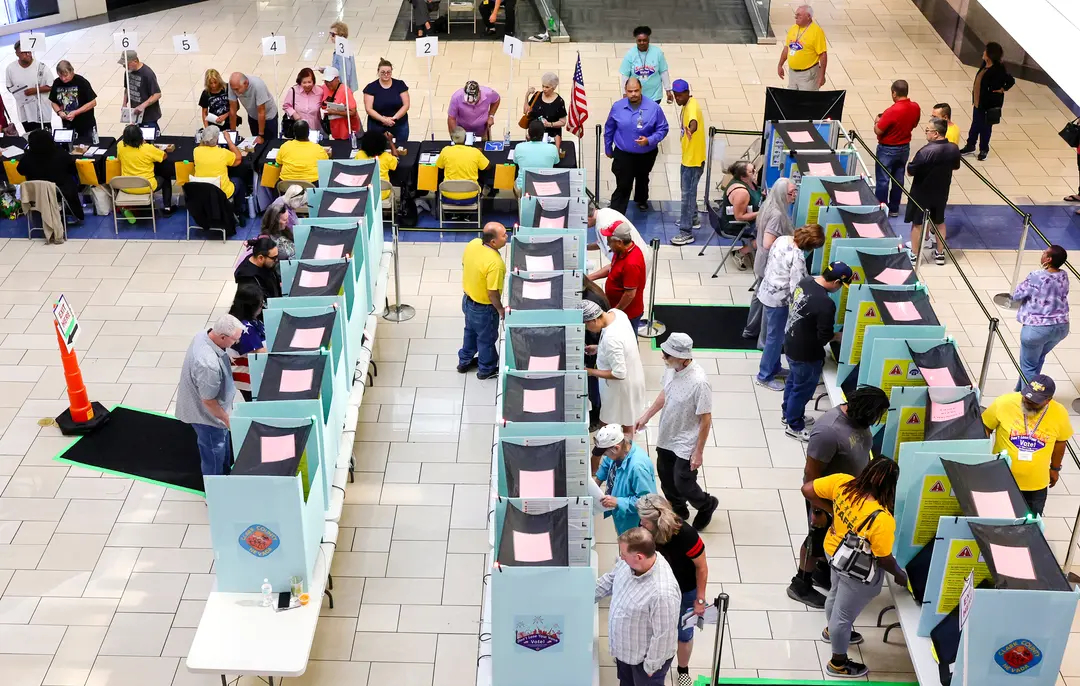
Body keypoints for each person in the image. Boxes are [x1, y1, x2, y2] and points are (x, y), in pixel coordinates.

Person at [787, 386, 891, 608]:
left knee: (834, 535)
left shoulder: (858, 422)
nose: (876, 421)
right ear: (864, 410)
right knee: (816, 537)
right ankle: (800, 584)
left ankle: (821, 571)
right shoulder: (828, 431)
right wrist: (820, 510)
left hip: (848, 495)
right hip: (825, 496)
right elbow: (810, 477)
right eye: (875, 416)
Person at [802, 458, 907, 678]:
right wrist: (899, 575)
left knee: (835, 593)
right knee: (843, 615)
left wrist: (831, 510)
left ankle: (832, 632)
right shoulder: (882, 518)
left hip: (834, 550)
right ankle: (838, 663)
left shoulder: (842, 483)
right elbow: (883, 557)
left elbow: (807, 489)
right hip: (856, 568)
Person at [635, 333, 719, 530]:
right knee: (665, 476)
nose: (663, 358)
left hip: (687, 439)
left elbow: (706, 419)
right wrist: (646, 415)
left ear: (682, 357)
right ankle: (679, 509)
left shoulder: (699, 383)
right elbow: (665, 393)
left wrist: (698, 451)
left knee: (683, 482)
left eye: (667, 355)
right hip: (668, 433)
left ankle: (706, 504)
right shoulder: (672, 369)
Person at [636, 494, 708, 686]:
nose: (640, 524)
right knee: (652, 629)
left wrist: (700, 600)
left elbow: (701, 567)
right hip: (656, 590)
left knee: (684, 633)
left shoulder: (686, 534)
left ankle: (683, 669)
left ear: (656, 521)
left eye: (644, 521)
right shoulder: (646, 529)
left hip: (685, 591)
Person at [595, 527, 681, 686]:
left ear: (639, 557)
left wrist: (650, 668)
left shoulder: (662, 593)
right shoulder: (628, 564)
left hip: (644, 664)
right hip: (626, 654)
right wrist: (581, 596)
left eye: (623, 554)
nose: (620, 557)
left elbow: (664, 635)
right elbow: (610, 580)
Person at [982, 374, 1073, 516]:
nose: (1028, 402)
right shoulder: (1004, 403)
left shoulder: (1059, 413)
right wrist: (983, 457)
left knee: (1028, 527)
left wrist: (1055, 468)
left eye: (1034, 401)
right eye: (1027, 397)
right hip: (1000, 478)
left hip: (1035, 487)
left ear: (1048, 401)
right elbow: (985, 427)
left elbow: (1061, 442)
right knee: (994, 520)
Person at [783, 262, 853, 440]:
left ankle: (788, 414)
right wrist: (839, 336)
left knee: (793, 382)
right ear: (837, 282)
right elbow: (824, 336)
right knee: (803, 389)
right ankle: (795, 426)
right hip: (807, 353)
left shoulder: (805, 281)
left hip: (791, 342)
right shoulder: (825, 303)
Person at [756, 225, 826, 390]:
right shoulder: (798, 256)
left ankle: (774, 367)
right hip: (779, 301)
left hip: (767, 292)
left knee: (774, 336)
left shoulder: (782, 239)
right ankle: (764, 376)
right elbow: (798, 286)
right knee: (775, 339)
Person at [176, 315, 243, 476]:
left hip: (210, 407)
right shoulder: (208, 365)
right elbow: (208, 401)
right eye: (234, 340)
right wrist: (227, 420)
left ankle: (225, 475)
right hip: (207, 416)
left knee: (222, 445)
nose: (236, 343)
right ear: (223, 337)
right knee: (214, 453)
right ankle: (214, 492)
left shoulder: (203, 335)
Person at [604, 77, 669, 215]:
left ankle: (641, 199)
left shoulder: (653, 108)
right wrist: (608, 147)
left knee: (642, 177)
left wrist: (650, 140)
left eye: (636, 91)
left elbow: (663, 129)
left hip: (646, 153)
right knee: (623, 183)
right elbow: (609, 128)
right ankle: (616, 212)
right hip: (623, 153)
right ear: (625, 91)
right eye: (630, 91)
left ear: (641, 90)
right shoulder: (618, 107)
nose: (633, 94)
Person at [743, 177, 797, 344]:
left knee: (759, 296)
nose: (794, 196)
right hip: (770, 265)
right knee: (768, 301)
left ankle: (750, 330)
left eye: (795, 191)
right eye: (791, 193)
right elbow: (768, 242)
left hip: (761, 261)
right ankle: (763, 341)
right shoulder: (778, 215)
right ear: (782, 194)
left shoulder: (768, 205)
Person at [583, 300, 647, 437]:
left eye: (586, 325)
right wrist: (599, 349)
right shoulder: (617, 313)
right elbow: (621, 346)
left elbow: (619, 373)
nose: (588, 330)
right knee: (627, 417)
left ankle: (615, 453)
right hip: (633, 376)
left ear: (594, 320)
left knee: (609, 424)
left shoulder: (611, 339)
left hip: (620, 388)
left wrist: (589, 372)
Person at [1011, 246, 1070, 389]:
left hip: (1037, 329)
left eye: (1044, 253)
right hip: (1061, 327)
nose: (1042, 254)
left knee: (1028, 367)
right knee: (1037, 360)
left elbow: (1018, 295)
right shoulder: (1064, 275)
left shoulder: (1037, 275)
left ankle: (1030, 401)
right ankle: (1019, 391)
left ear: (1048, 259)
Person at [907, 117, 961, 266]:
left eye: (927, 131)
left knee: (917, 223)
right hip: (942, 191)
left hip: (921, 192)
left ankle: (914, 255)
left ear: (936, 133)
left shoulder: (925, 152)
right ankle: (940, 254)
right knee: (939, 221)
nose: (926, 133)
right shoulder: (953, 148)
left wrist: (912, 160)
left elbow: (910, 172)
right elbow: (956, 167)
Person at [458, 222, 507, 380]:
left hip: (467, 300)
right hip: (484, 308)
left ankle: (464, 361)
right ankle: (486, 370)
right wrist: (500, 309)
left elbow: (464, 263)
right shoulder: (496, 263)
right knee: (486, 339)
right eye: (504, 235)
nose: (507, 237)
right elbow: (492, 293)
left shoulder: (473, 244)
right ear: (493, 242)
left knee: (470, 332)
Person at [593, 425, 657, 535]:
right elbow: (607, 462)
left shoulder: (638, 468)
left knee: (631, 544)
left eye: (605, 453)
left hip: (634, 522)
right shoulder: (622, 449)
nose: (605, 456)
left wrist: (618, 502)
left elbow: (647, 502)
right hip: (621, 515)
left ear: (616, 448)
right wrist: (597, 481)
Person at [588, 221, 647, 333]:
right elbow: (612, 267)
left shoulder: (632, 263)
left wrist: (615, 312)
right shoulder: (621, 251)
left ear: (619, 242)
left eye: (609, 241)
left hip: (627, 314)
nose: (607, 243)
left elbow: (629, 294)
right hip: (616, 308)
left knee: (627, 341)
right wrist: (589, 278)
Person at [873, 80, 920, 217]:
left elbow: (878, 131)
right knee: (898, 179)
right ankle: (894, 209)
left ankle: (881, 208)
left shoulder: (891, 111)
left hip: (887, 149)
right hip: (904, 148)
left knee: (883, 180)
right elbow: (915, 124)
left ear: (894, 93)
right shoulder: (915, 107)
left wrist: (876, 123)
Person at [960, 41, 1014, 161]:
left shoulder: (998, 69)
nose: (983, 53)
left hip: (989, 105)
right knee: (975, 125)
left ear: (990, 54)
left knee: (985, 128)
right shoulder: (984, 65)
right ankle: (970, 145)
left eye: (985, 51)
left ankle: (984, 149)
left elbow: (1010, 80)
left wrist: (1003, 89)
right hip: (978, 103)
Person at [17, 129, 83, 221]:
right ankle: (75, 212)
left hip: (37, 193)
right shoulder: (60, 153)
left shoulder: (28, 158)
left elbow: (20, 170)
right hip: (58, 192)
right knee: (71, 181)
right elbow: (72, 169)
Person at [671, 79, 705, 245]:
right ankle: (693, 219)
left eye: (680, 95)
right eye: (675, 95)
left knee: (687, 196)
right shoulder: (690, 103)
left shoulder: (691, 107)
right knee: (690, 192)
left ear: (687, 93)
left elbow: (694, 123)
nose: (677, 98)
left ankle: (686, 232)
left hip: (692, 161)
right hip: (691, 157)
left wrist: (690, 130)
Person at [193, 126, 245, 219]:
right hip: (221, 193)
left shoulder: (196, 151)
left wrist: (205, 138)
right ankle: (239, 211)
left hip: (200, 192)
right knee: (238, 181)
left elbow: (201, 145)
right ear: (217, 139)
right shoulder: (223, 153)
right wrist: (228, 140)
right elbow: (238, 159)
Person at [116, 124, 170, 215]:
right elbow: (164, 156)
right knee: (166, 178)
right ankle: (167, 208)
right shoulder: (147, 148)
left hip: (126, 186)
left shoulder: (120, 146)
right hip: (146, 186)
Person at [227, 283, 266, 402]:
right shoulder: (244, 329)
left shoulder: (238, 317)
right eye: (261, 304)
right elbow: (262, 354)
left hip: (251, 375)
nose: (262, 307)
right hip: (251, 380)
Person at [723, 161, 763, 270]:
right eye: (751, 171)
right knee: (769, 236)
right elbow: (739, 217)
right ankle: (739, 253)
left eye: (754, 169)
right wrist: (762, 213)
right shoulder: (741, 192)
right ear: (743, 177)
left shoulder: (750, 181)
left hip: (750, 219)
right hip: (737, 225)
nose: (755, 172)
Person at [777, 4, 828, 90]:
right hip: (793, 73)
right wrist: (780, 65)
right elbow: (787, 48)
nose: (796, 17)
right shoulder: (793, 29)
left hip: (808, 75)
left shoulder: (816, 32)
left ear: (808, 16)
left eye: (799, 15)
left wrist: (822, 75)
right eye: (796, 15)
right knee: (792, 100)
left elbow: (823, 55)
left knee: (807, 101)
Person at [618, 26, 672, 105]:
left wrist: (668, 90)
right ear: (636, 41)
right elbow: (625, 76)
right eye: (639, 41)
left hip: (654, 96)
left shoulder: (657, 53)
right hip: (635, 96)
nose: (642, 43)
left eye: (644, 40)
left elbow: (663, 72)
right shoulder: (630, 54)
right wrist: (625, 94)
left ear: (648, 40)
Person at [583, 277, 610, 431]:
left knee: (595, 385)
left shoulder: (590, 301)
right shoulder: (591, 291)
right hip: (597, 346)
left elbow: (618, 373)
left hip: (597, 353)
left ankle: (596, 415)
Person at [436, 127, 490, 205]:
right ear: (465, 138)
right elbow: (487, 167)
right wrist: (479, 155)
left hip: (448, 195)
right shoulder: (475, 152)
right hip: (471, 195)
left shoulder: (445, 151)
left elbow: (439, 167)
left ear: (452, 138)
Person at [6, 41, 51, 132]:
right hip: (25, 112)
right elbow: (8, 86)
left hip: (41, 112)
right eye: (23, 52)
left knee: (46, 139)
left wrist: (35, 90)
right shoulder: (11, 68)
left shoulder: (41, 67)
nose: (28, 54)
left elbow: (51, 86)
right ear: (17, 54)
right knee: (31, 137)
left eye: (29, 51)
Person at [363, 58, 410, 143]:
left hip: (399, 123)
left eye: (388, 72)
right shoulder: (371, 88)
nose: (386, 74)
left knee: (401, 147)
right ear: (378, 72)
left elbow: (406, 105)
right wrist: (383, 120)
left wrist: (393, 119)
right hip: (376, 124)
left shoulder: (400, 85)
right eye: (383, 72)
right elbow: (369, 109)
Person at [228, 72, 279, 144]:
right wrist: (233, 134)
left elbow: (261, 112)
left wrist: (261, 135)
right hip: (253, 115)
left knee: (271, 143)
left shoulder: (258, 86)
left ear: (245, 83)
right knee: (256, 143)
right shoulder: (233, 86)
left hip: (268, 116)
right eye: (233, 89)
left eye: (237, 89)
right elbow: (233, 110)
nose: (235, 91)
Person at [49, 61, 96, 137]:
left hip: (85, 124)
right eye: (60, 76)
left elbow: (93, 102)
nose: (63, 79)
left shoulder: (81, 82)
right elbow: (53, 102)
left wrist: (76, 112)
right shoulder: (57, 83)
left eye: (65, 75)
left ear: (72, 71)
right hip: (68, 124)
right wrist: (59, 112)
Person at [522, 72, 566, 152]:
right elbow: (526, 111)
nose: (544, 89)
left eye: (547, 87)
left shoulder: (559, 102)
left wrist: (549, 124)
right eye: (543, 86)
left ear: (553, 87)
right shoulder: (537, 95)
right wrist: (527, 95)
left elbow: (563, 122)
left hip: (551, 137)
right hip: (534, 136)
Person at [513, 120, 559, 194]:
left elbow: (515, 161)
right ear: (543, 134)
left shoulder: (519, 147)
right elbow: (556, 161)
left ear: (528, 134)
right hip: (545, 187)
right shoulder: (552, 148)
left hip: (523, 189)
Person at [118, 50, 161, 129]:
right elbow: (127, 88)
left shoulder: (147, 74)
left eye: (127, 64)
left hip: (149, 115)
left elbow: (157, 94)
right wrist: (124, 103)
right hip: (135, 113)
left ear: (135, 61)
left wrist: (143, 106)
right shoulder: (128, 71)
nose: (125, 67)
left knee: (149, 137)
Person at [234, 236, 281, 304]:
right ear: (260, 258)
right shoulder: (249, 280)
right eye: (274, 258)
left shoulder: (264, 263)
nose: (276, 260)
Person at [356, 130, 400, 201]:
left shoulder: (359, 155)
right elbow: (397, 160)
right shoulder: (386, 157)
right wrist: (390, 142)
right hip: (382, 194)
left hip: (365, 193)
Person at [321, 66, 361, 141]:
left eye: (330, 81)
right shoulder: (323, 88)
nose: (328, 84)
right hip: (333, 129)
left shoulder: (345, 91)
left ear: (337, 79)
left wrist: (334, 112)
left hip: (345, 130)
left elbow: (352, 112)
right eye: (326, 81)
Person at [282, 68, 323, 132]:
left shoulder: (320, 92)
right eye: (304, 82)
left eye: (309, 82)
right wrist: (294, 114)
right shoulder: (293, 91)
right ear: (300, 82)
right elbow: (286, 106)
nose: (307, 85)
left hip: (315, 128)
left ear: (313, 81)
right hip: (298, 128)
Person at [326, 21, 358, 91]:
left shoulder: (342, 51)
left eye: (333, 34)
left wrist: (343, 89)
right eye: (330, 34)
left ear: (341, 35)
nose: (331, 37)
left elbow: (345, 72)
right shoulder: (340, 50)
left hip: (342, 87)